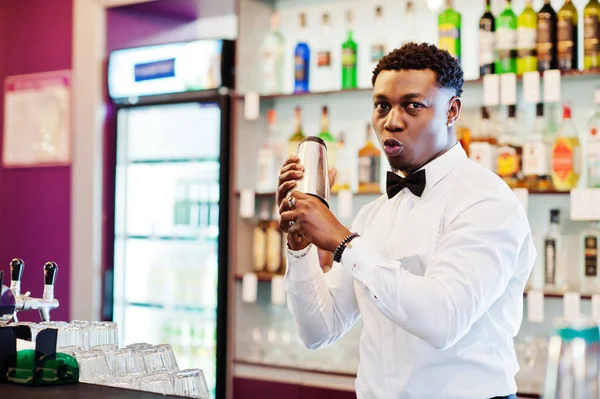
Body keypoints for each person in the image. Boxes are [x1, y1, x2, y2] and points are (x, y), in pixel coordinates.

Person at [275, 43, 536, 399]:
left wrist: (343, 241)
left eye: (413, 105)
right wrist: (300, 244)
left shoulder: (486, 200)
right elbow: (318, 329)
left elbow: (444, 320)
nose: (391, 121)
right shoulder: (374, 214)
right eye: (382, 105)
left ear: (451, 111)